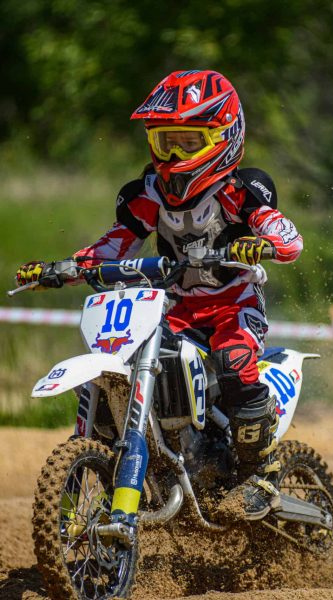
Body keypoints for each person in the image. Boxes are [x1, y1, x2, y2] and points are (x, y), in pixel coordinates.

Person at [16, 70, 303, 520]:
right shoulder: (148, 192)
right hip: (176, 307)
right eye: (165, 140)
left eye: (189, 143)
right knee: (129, 359)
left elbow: (287, 236)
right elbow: (113, 244)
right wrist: (67, 267)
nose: (173, 153)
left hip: (233, 306)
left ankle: (261, 474)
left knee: (233, 362)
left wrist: (263, 242)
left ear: (224, 138)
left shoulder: (238, 190)